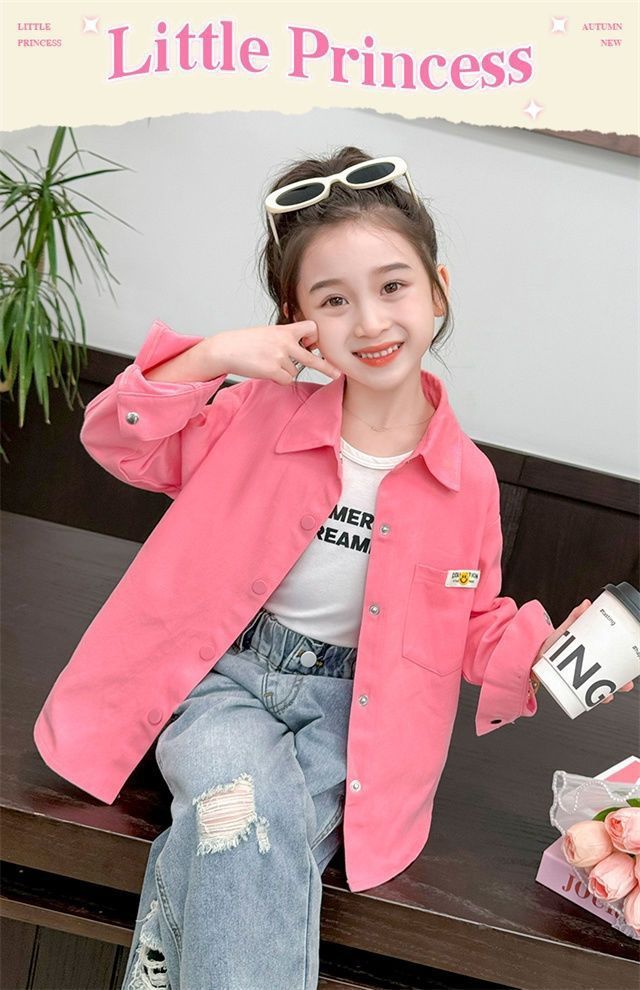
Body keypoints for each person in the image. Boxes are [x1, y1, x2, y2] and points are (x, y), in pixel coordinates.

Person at [32, 147, 634, 990]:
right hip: (226, 683)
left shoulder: (467, 483)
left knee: (235, 832)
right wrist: (215, 354)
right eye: (334, 300)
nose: (371, 321)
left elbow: (469, 619)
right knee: (243, 815)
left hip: (360, 715)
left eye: (393, 286)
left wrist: (544, 654)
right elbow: (121, 440)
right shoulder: (252, 415)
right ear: (296, 318)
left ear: (438, 290)